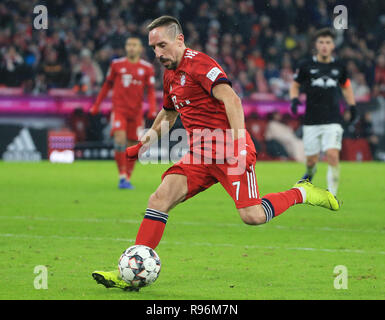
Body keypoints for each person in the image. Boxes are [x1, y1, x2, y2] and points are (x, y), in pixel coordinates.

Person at [92, 16, 341, 290]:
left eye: (162, 45)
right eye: (153, 48)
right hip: (199, 153)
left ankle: (301, 192)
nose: (158, 53)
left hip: (229, 150)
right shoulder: (169, 75)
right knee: (159, 198)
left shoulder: (200, 64)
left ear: (179, 39)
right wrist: (144, 143)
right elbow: (168, 114)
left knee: (252, 216)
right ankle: (131, 272)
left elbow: (232, 100)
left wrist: (241, 146)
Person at [289, 28, 357, 196]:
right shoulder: (306, 65)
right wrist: (294, 99)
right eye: (321, 42)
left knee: (332, 155)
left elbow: (346, 86)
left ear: (333, 45)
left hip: (333, 119)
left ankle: (331, 195)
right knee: (312, 160)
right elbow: (295, 84)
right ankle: (310, 174)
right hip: (311, 120)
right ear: (316, 45)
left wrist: (352, 106)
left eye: (328, 42)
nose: (324, 46)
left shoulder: (339, 67)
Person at [90, 37, 157, 189]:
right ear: (126, 48)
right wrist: (96, 105)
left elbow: (151, 91)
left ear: (140, 49)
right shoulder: (116, 65)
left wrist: (153, 108)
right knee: (120, 140)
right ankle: (121, 176)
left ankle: (127, 177)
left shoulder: (147, 68)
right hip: (119, 109)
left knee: (133, 145)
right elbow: (107, 85)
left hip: (136, 112)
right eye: (129, 45)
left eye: (134, 45)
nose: (131, 48)